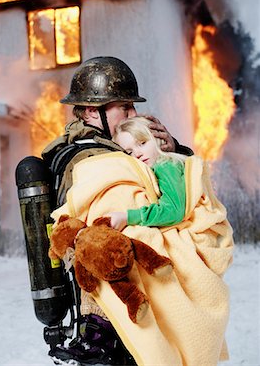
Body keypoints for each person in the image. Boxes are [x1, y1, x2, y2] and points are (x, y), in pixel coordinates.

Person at [42, 56, 193, 365]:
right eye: (124, 107)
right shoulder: (96, 161)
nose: (133, 113)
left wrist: (174, 152)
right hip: (114, 302)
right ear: (90, 111)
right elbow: (144, 216)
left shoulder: (104, 151)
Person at [108, 116, 188, 232]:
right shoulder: (155, 168)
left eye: (142, 143)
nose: (138, 153)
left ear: (158, 138)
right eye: (129, 152)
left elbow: (173, 211)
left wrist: (128, 217)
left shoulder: (166, 165)